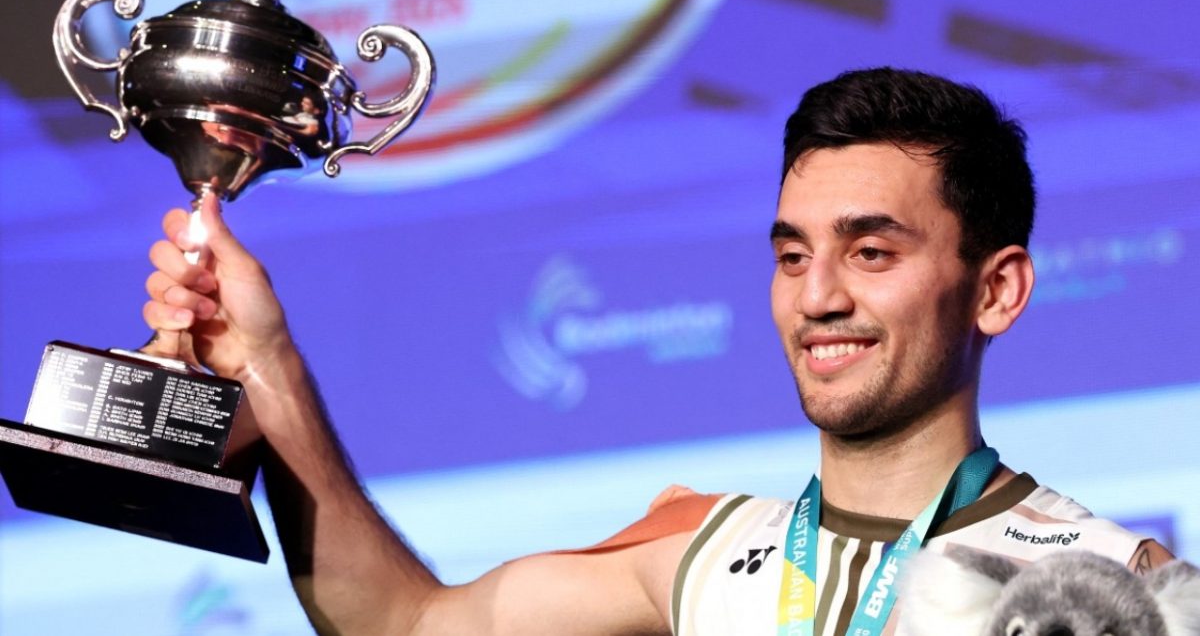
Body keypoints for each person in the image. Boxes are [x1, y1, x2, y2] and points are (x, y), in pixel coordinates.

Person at [142, 68, 1173, 635]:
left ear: (996, 290)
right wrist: (266, 366)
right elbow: (406, 629)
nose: (818, 296)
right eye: (792, 253)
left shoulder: (1111, 587)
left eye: (870, 251)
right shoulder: (704, 555)